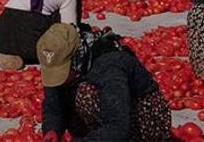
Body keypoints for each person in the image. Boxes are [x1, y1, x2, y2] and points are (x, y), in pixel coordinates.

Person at [38, 23, 172, 142]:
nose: (56, 77)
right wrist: (52, 129)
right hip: (112, 114)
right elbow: (52, 100)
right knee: (65, 90)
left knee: (84, 93)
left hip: (145, 118)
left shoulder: (109, 66)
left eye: (62, 70)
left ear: (75, 59)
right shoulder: (73, 65)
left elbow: (118, 125)